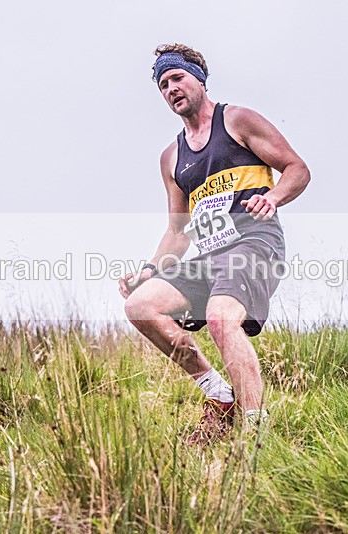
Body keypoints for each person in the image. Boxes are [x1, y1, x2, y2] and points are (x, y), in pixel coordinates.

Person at [120, 43, 310, 446]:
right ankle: (219, 396)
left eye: (177, 78)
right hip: (210, 256)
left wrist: (272, 198)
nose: (171, 88)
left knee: (222, 317)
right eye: (163, 85)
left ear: (200, 79)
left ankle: (254, 434)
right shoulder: (171, 157)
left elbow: (297, 169)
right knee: (140, 306)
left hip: (253, 243)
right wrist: (150, 270)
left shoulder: (238, 120)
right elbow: (177, 232)